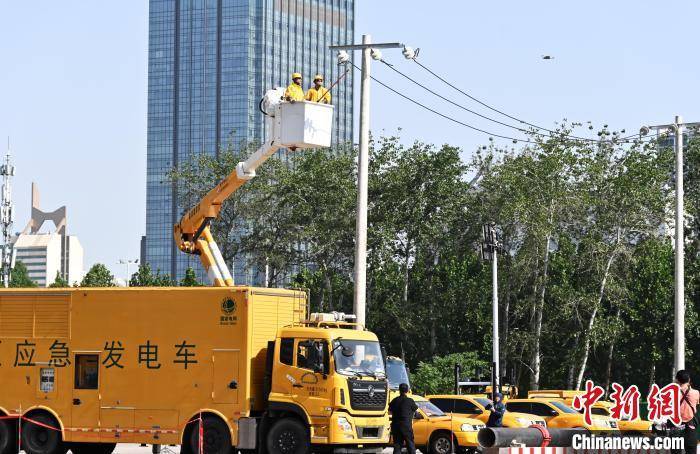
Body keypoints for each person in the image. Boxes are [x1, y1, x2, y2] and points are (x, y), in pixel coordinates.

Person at [389, 383, 417, 454]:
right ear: (407, 390)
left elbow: (389, 411)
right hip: (406, 426)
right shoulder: (410, 401)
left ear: (399, 390)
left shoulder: (395, 400)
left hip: (396, 426)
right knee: (410, 445)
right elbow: (415, 409)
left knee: (397, 446)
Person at [676, 370, 699, 454]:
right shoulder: (696, 393)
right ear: (689, 379)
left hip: (675, 425)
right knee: (691, 451)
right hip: (690, 424)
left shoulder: (672, 393)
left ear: (677, 380)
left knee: (675, 451)